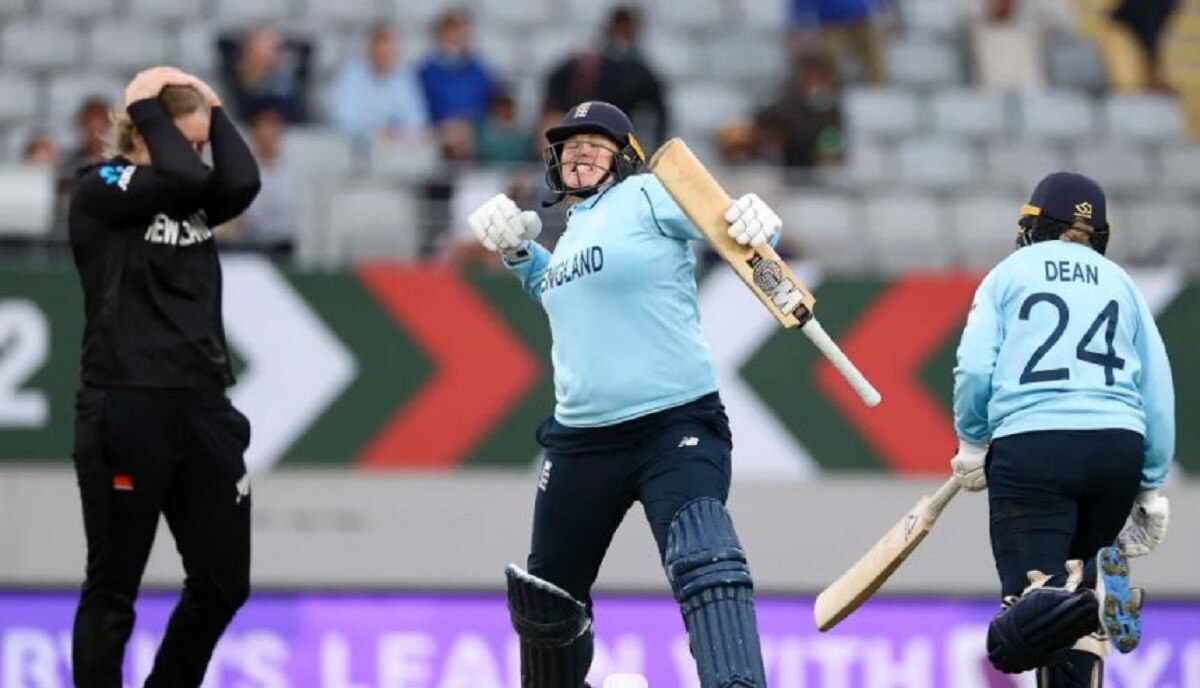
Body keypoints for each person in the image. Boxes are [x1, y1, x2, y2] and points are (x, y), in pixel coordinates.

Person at [469, 101, 781, 688]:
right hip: (581, 442)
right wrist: (519, 254)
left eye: (596, 143)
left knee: (704, 557)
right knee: (548, 601)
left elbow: (729, 227)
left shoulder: (647, 196)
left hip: (673, 426)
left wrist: (756, 219)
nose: (580, 153)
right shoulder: (572, 233)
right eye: (570, 145)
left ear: (625, 157)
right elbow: (560, 290)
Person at [67, 66, 261, 687]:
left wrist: (215, 107)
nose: (200, 158)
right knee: (113, 587)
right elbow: (179, 174)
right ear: (143, 133)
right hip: (128, 404)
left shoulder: (193, 191)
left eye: (203, 146)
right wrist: (145, 104)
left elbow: (243, 180)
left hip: (203, 406)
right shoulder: (100, 186)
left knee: (223, 582)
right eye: (190, 143)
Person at [950, 172, 1174, 687]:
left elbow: (975, 370)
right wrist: (1150, 486)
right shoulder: (1122, 283)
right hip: (1118, 450)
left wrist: (972, 441)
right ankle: (1086, 594)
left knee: (1012, 639)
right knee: (1068, 630)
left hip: (1034, 449)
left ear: (1033, 225)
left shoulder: (1007, 275)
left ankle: (1086, 595)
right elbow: (1158, 390)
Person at [543, 6, 669, 147]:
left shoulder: (641, 73)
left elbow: (659, 115)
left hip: (618, 139)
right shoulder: (586, 65)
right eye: (620, 28)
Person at [330, 23, 428, 142]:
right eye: (380, 53)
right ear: (370, 51)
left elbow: (416, 119)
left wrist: (395, 131)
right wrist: (375, 131)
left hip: (396, 145)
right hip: (357, 145)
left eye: (388, 54)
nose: (384, 58)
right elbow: (344, 118)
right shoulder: (352, 74)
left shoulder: (404, 78)